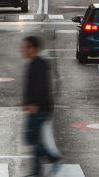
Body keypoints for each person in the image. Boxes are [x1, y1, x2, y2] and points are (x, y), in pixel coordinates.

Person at [21, 36, 62, 175]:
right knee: (34, 138)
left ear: (34, 49)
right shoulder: (34, 63)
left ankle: (52, 158)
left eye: (26, 47)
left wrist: (33, 104)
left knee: (32, 138)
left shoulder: (38, 64)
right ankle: (37, 170)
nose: (24, 50)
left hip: (40, 108)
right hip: (38, 108)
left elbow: (39, 87)